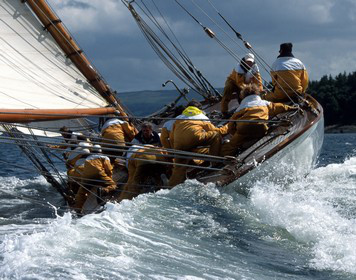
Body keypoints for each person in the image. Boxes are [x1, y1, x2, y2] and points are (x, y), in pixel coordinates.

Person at [221, 84, 297, 156]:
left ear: (243, 96)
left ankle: (224, 159)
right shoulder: (264, 103)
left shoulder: (240, 108)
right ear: (257, 94)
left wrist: (234, 133)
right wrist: (292, 108)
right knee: (264, 128)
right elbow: (278, 107)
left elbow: (231, 125)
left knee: (232, 145)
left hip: (243, 129)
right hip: (261, 127)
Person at [168, 100, 228, 186]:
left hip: (178, 144)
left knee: (178, 168)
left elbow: (172, 137)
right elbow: (217, 131)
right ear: (200, 109)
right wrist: (228, 126)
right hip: (194, 139)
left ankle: (171, 186)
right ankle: (214, 163)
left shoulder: (179, 118)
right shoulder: (201, 116)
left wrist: (175, 149)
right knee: (215, 136)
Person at [74, 145, 117, 212]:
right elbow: (109, 170)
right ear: (101, 151)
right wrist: (109, 179)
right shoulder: (105, 157)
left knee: (82, 193)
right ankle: (103, 190)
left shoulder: (87, 158)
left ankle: (77, 210)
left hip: (87, 176)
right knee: (113, 185)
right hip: (99, 174)